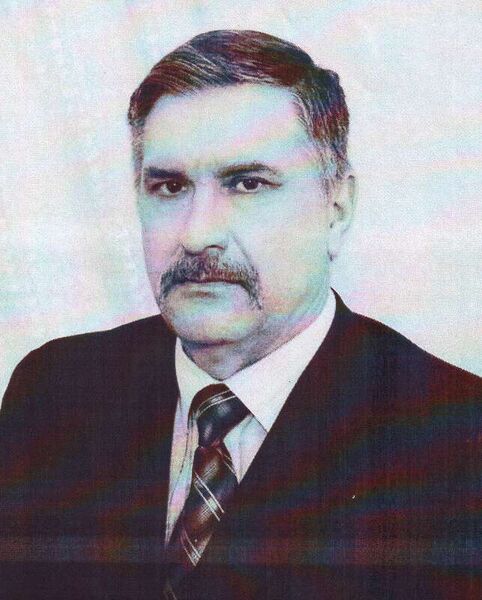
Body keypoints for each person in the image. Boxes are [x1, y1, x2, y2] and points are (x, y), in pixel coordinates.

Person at [0, 30, 480, 600]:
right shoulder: (55, 390)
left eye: (248, 184)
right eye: (169, 187)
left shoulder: (455, 441)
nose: (198, 233)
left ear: (336, 209)